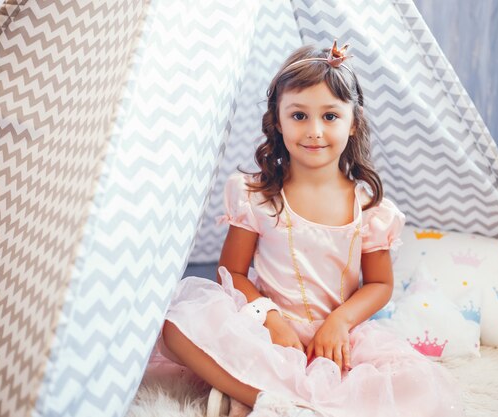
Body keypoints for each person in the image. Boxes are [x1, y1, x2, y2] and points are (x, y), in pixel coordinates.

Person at [157, 40, 464, 417]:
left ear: (353, 124)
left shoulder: (370, 209)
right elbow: (233, 273)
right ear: (278, 122)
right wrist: (269, 319)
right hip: (270, 330)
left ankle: (282, 396)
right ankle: (272, 399)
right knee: (177, 325)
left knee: (414, 383)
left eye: (330, 116)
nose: (314, 131)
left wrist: (339, 321)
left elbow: (380, 284)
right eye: (299, 116)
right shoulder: (257, 195)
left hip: (336, 337)